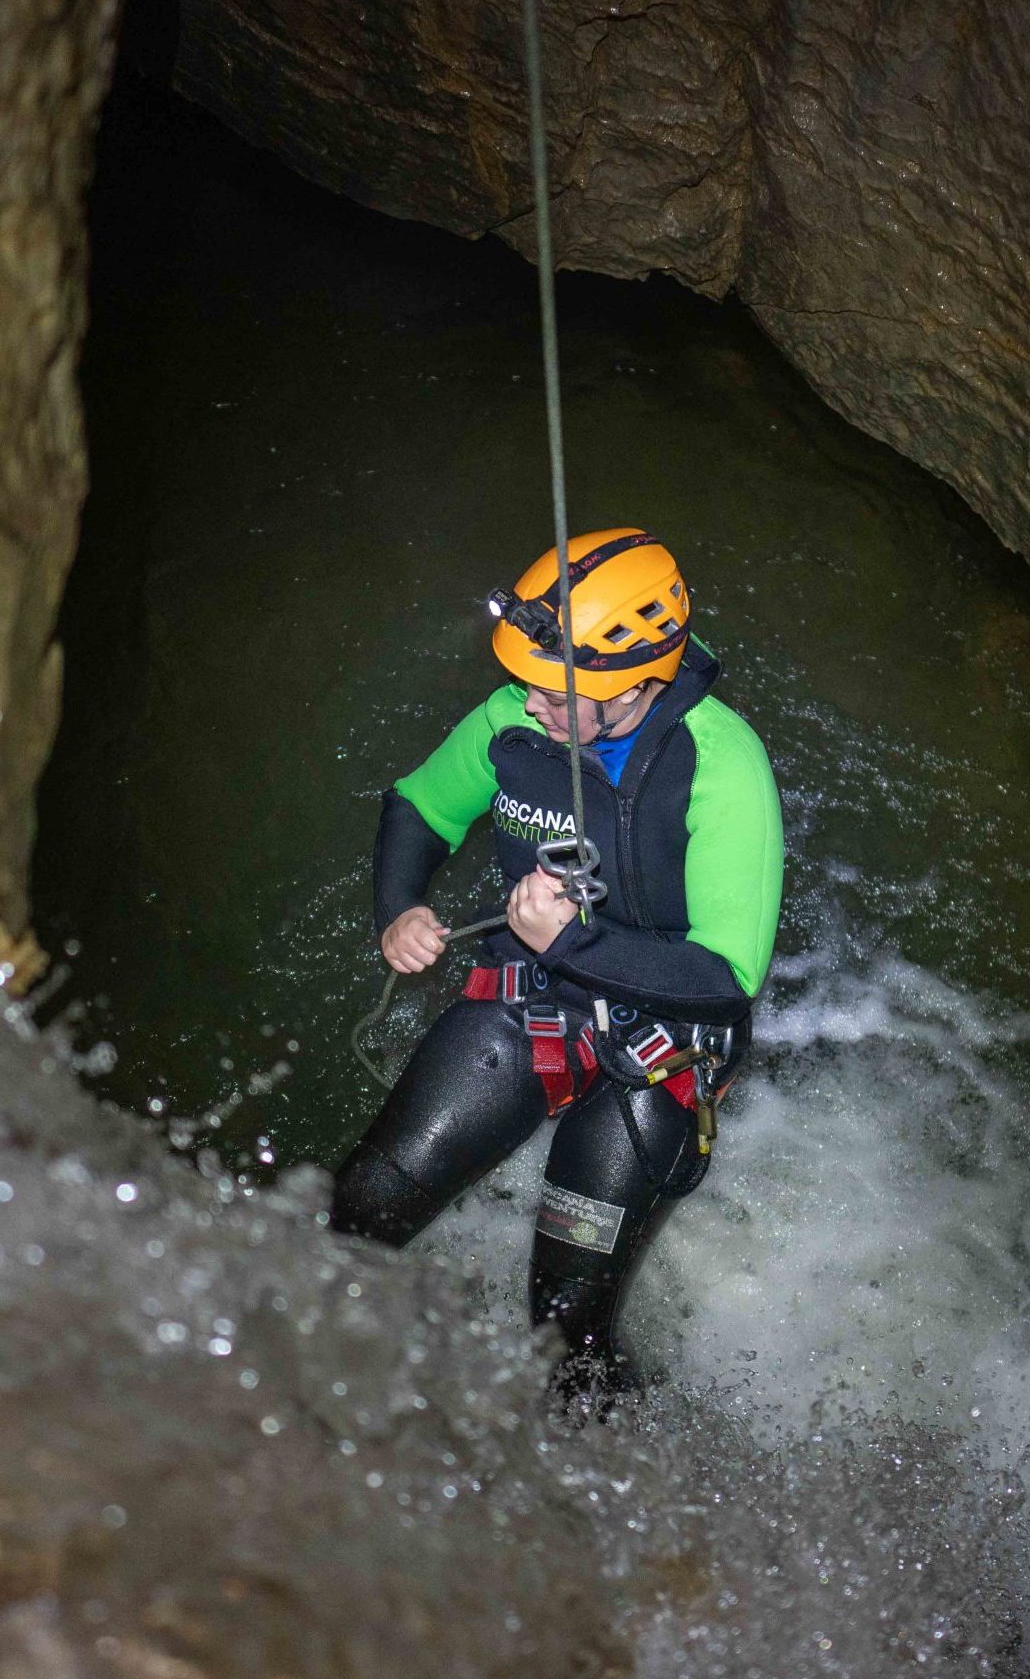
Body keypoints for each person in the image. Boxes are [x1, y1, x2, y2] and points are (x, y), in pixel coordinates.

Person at [329, 527, 783, 1389]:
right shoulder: (513, 721)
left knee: (563, 1330)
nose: (528, 702)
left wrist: (572, 940)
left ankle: (605, 1487)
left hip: (660, 1047)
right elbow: (420, 808)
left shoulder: (723, 767)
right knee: (361, 1212)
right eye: (527, 682)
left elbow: (725, 981)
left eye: (556, 693)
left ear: (637, 689)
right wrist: (400, 911)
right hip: (531, 1000)